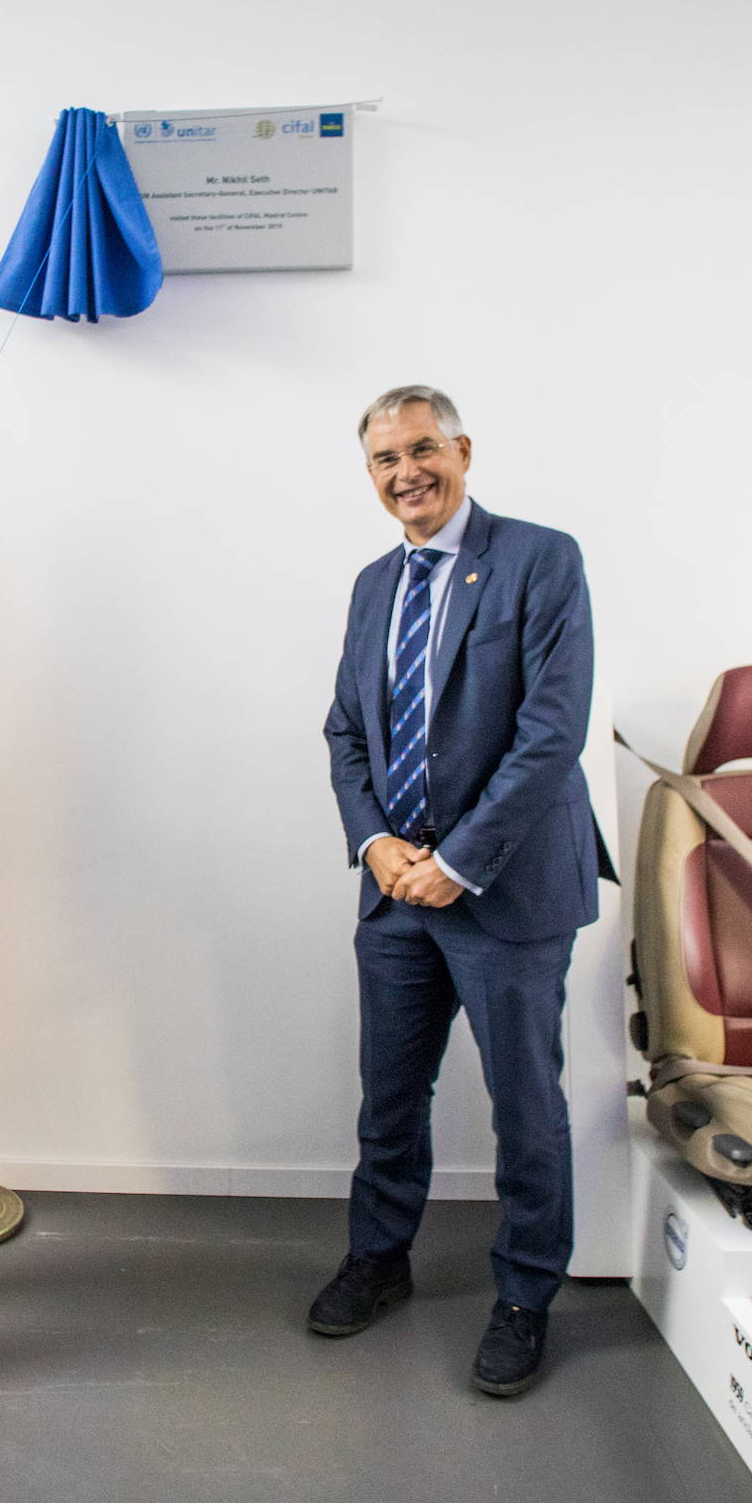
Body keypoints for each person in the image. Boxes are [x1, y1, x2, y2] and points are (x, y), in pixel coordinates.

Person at [309, 385, 607, 1397]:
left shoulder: (539, 558)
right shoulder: (371, 585)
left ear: (462, 450)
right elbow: (346, 730)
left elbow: (550, 732)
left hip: (507, 888)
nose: (406, 474)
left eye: (422, 450)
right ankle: (378, 1257)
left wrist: (458, 860)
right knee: (390, 1096)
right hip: (395, 891)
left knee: (525, 1108)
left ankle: (525, 1295)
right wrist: (376, 845)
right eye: (385, 460)